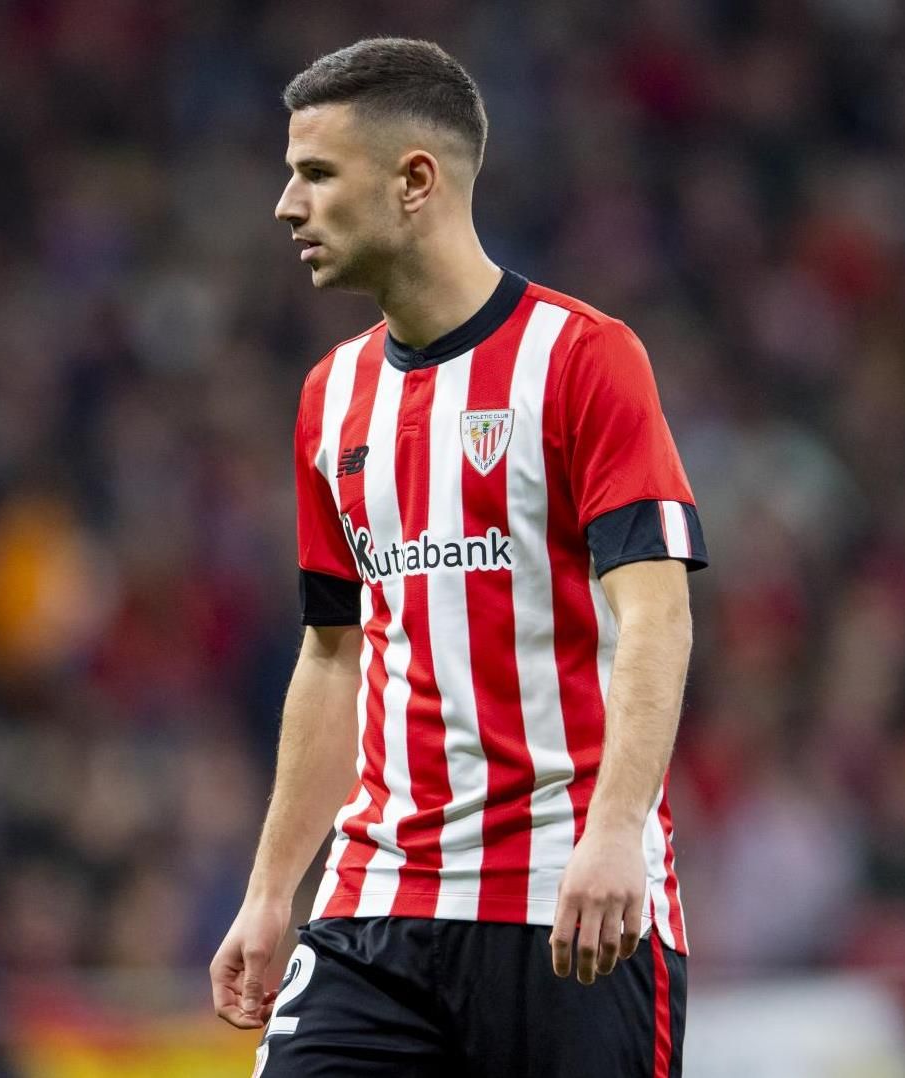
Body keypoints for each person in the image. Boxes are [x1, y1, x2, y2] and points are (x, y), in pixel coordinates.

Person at [209, 37, 705, 1078]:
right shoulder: (326, 401)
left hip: (566, 902)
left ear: (414, 181)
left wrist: (617, 832)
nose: (284, 205)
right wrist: (268, 891)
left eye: (314, 173)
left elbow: (655, 614)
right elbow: (331, 656)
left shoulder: (581, 359)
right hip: (377, 904)